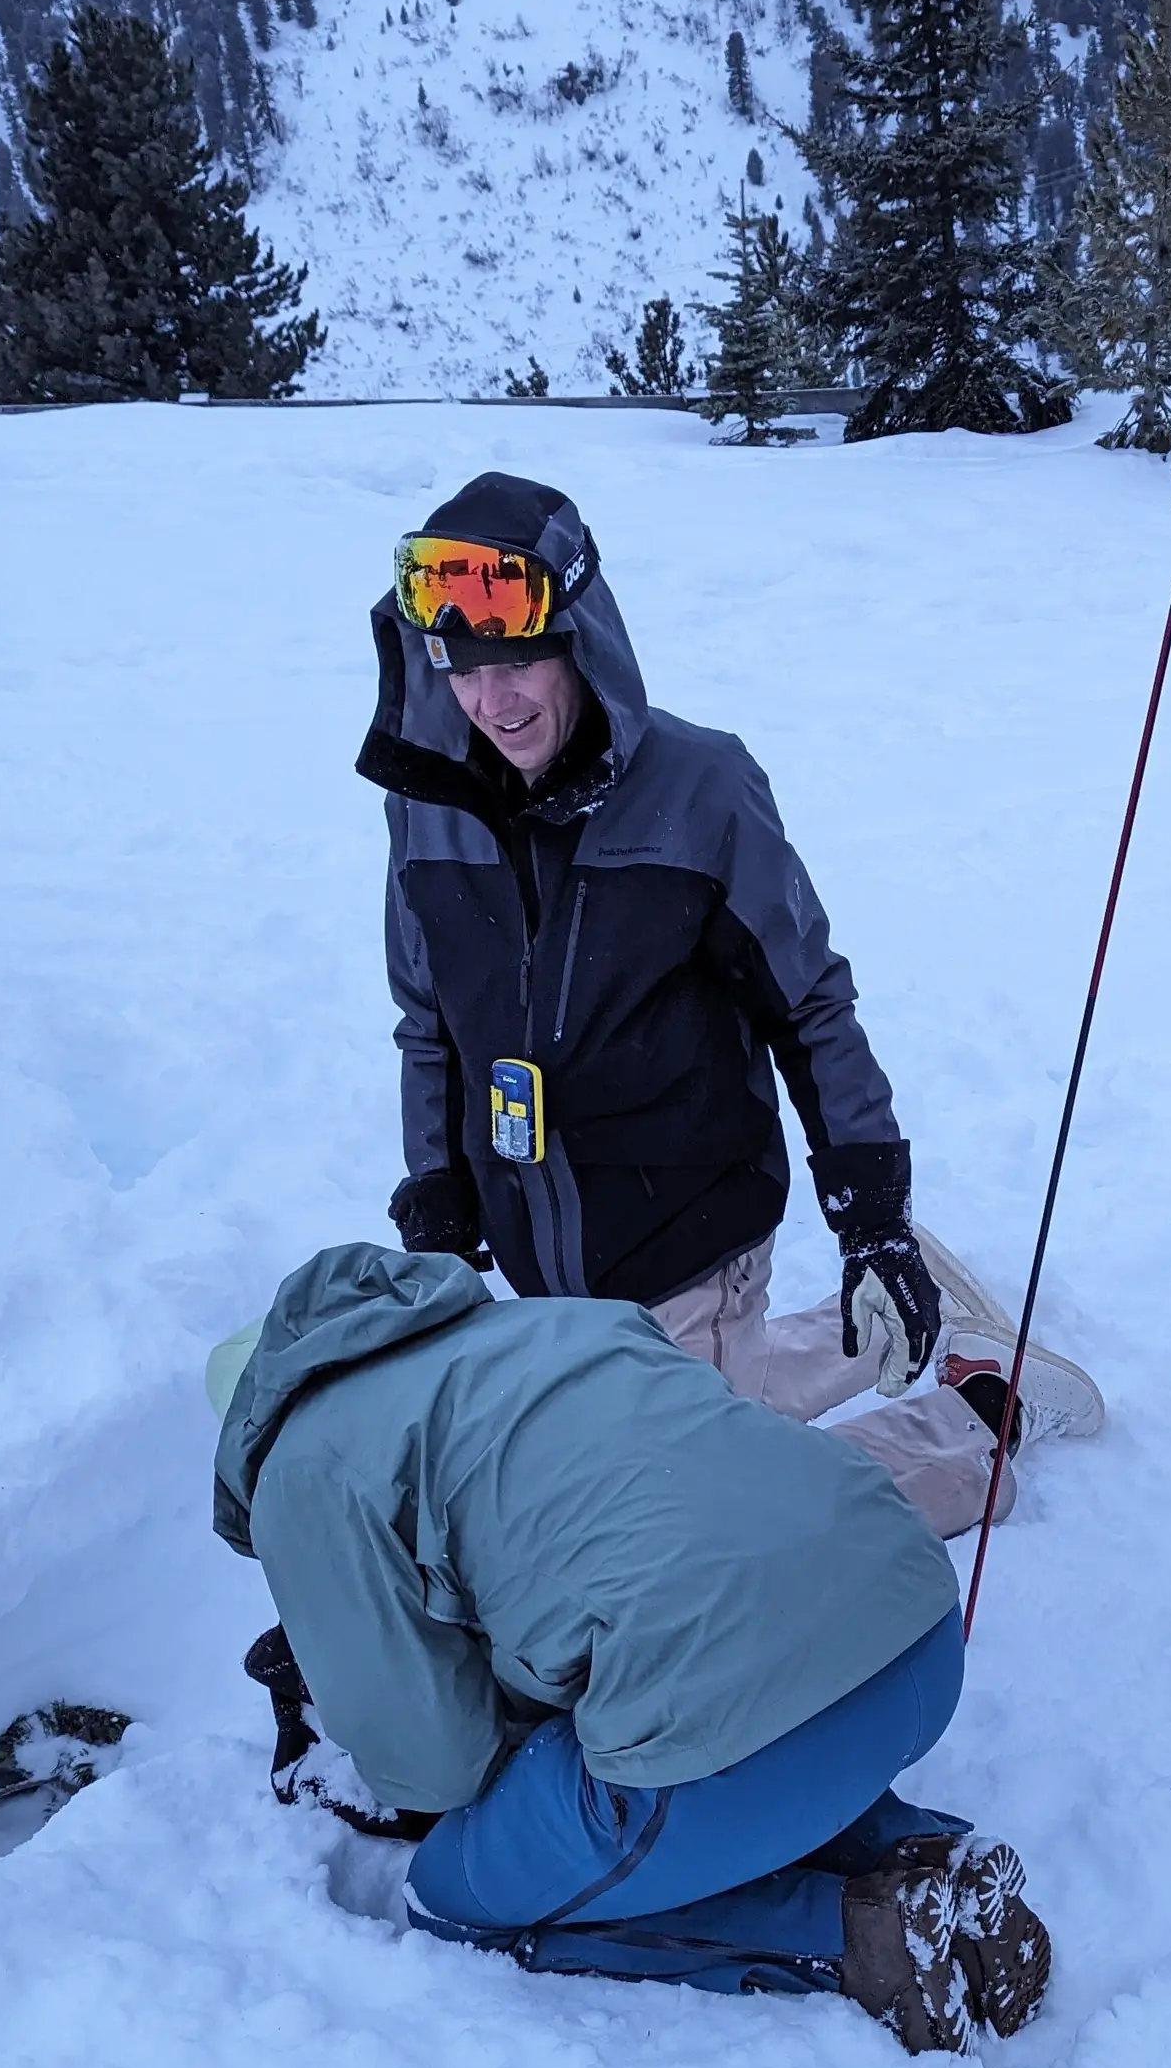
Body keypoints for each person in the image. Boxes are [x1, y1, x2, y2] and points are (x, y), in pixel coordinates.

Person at [361, 471, 1099, 1542]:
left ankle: (980, 1414)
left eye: (518, 659)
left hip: (688, 1232)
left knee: (711, 1539)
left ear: (580, 639)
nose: (493, 701)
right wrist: (438, 1192)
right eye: (464, 669)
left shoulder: (700, 788)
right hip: (546, 1255)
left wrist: (873, 1218)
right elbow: (427, 1022)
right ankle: (865, 1330)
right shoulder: (427, 809)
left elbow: (810, 1006)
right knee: (676, 1422)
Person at [209, 1242, 1051, 2052]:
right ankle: (931, 1864)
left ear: (252, 1419)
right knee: (719, 1713)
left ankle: (876, 1940)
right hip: (919, 1645)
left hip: (751, 1729)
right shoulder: (553, 1324)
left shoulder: (303, 1469)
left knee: (454, 1895)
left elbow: (440, 1767)